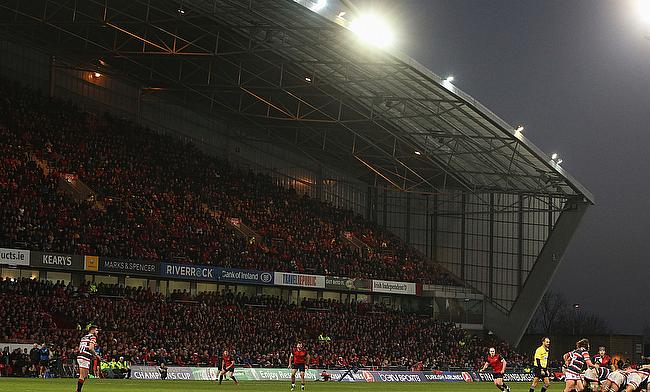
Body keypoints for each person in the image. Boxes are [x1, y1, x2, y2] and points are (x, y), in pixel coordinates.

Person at [76, 325, 101, 392]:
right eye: (96, 330)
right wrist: (96, 355)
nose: (97, 332)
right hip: (84, 357)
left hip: (80, 356)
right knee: (82, 375)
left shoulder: (84, 337)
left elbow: (79, 348)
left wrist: (91, 355)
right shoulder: (93, 337)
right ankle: (78, 390)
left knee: (86, 374)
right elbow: (90, 348)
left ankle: (78, 389)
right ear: (92, 330)